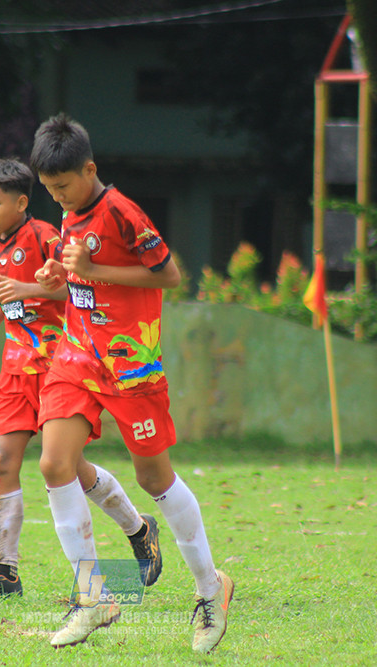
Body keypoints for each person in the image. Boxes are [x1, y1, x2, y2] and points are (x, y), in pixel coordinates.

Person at [30, 115, 234, 653]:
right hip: (77, 356)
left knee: (154, 478)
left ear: (90, 169)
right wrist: (61, 273)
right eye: (49, 191)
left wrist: (94, 271)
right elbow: (80, 269)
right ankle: (94, 597)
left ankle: (212, 589)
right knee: (54, 463)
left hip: (132, 365)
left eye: (64, 186)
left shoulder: (122, 211)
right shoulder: (70, 213)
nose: (59, 199)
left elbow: (168, 274)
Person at [0, 158, 162, 600]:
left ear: (21, 202)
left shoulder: (47, 236)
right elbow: (12, 291)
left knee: (66, 466)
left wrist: (31, 291)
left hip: (57, 365)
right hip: (15, 365)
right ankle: (4, 572)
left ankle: (138, 528)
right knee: (2, 461)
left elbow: (76, 285)